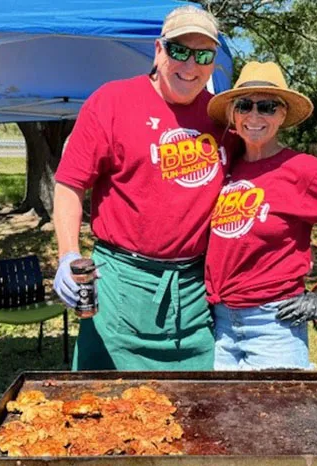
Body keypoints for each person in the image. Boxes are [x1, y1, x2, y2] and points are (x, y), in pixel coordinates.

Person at [52, 5, 237, 370]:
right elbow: (69, 184)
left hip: (193, 291)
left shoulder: (222, 117)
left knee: (195, 413)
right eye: (179, 50)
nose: (190, 65)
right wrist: (67, 254)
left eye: (203, 55)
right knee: (104, 408)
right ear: (158, 50)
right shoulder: (112, 102)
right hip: (120, 284)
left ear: (214, 62)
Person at [203, 61, 317, 370]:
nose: (254, 116)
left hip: (274, 326)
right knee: (224, 417)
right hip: (218, 324)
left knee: (276, 416)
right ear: (233, 113)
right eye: (244, 105)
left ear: (283, 114)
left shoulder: (304, 170)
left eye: (268, 107)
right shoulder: (226, 164)